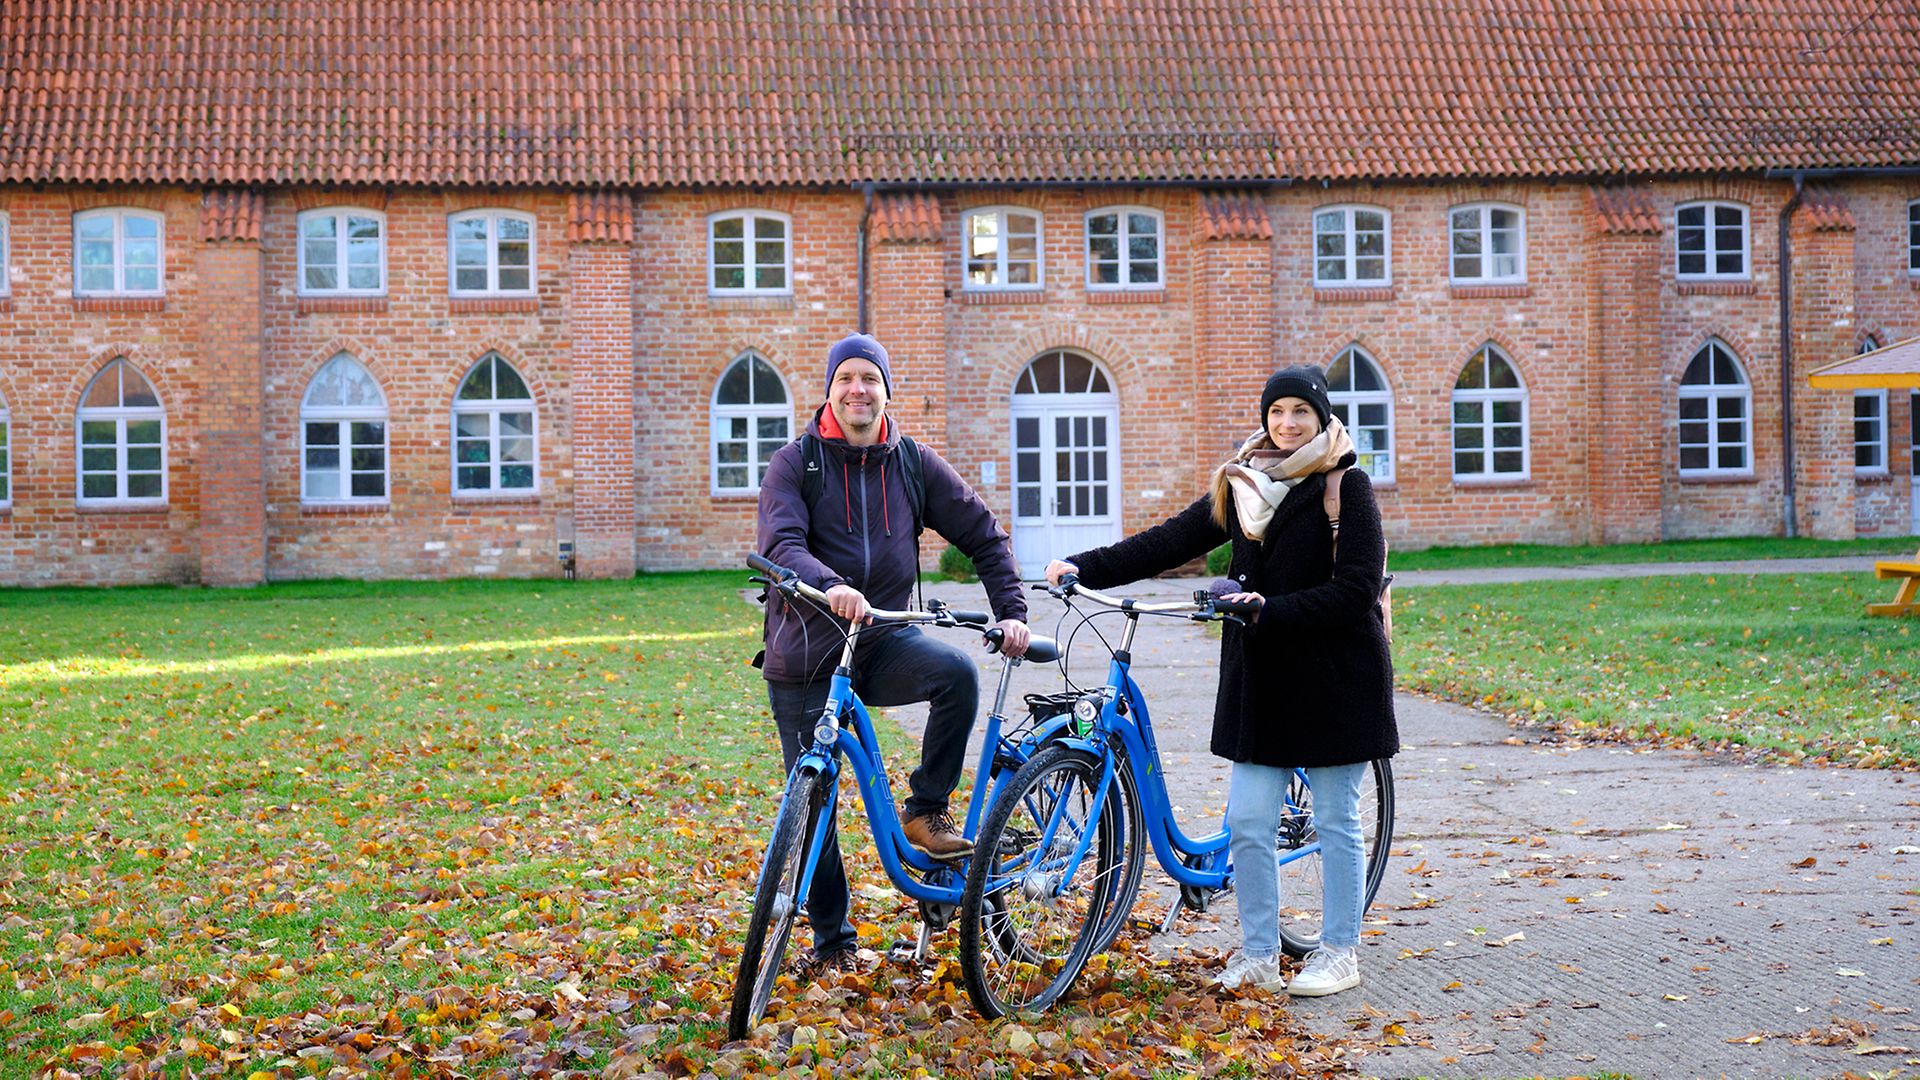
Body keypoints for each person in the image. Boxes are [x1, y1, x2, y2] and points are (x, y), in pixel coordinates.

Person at [1044, 363, 1396, 997]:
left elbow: (1356, 590)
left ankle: (1339, 951)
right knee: (1250, 823)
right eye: (1277, 413)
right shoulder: (1244, 484)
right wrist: (1084, 567)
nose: (1287, 425)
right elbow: (1168, 541)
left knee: (1337, 819)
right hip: (1262, 683)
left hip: (1336, 678)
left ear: (1322, 421)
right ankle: (1259, 954)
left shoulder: (1347, 487)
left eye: (1301, 415)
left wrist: (1268, 608)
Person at [756, 331, 1031, 969]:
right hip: (804, 649)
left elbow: (985, 535)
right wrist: (831, 586)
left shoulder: (910, 461)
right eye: (846, 378)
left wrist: (1012, 613)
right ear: (829, 390)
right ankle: (833, 944)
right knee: (814, 794)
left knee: (956, 673)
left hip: (880, 640)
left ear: (885, 389)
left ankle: (925, 811)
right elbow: (780, 546)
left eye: (869, 379)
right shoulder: (795, 463)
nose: (858, 390)